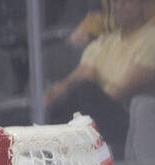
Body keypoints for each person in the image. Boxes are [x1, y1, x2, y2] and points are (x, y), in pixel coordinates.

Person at [46, 0, 155, 155]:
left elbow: (119, 91)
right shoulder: (104, 42)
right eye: (115, 1)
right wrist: (53, 95)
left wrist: (84, 95)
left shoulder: (151, 38)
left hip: (129, 124)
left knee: (83, 92)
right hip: (96, 116)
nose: (118, 5)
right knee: (61, 98)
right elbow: (79, 76)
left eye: (126, 1)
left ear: (143, 4)